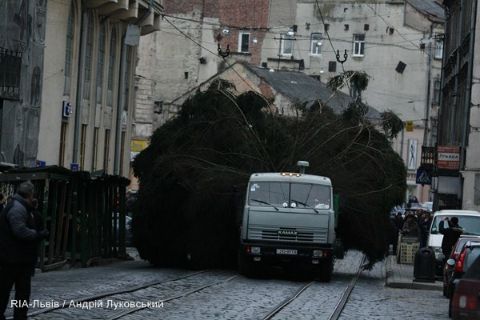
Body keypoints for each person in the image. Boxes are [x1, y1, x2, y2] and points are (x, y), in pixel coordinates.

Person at [0, 181, 48, 320]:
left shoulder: (23, 207)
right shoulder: (17, 208)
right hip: (11, 259)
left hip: (20, 259)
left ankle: (20, 317)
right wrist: (38, 235)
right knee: (6, 290)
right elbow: (20, 231)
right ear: (30, 194)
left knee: (21, 292)